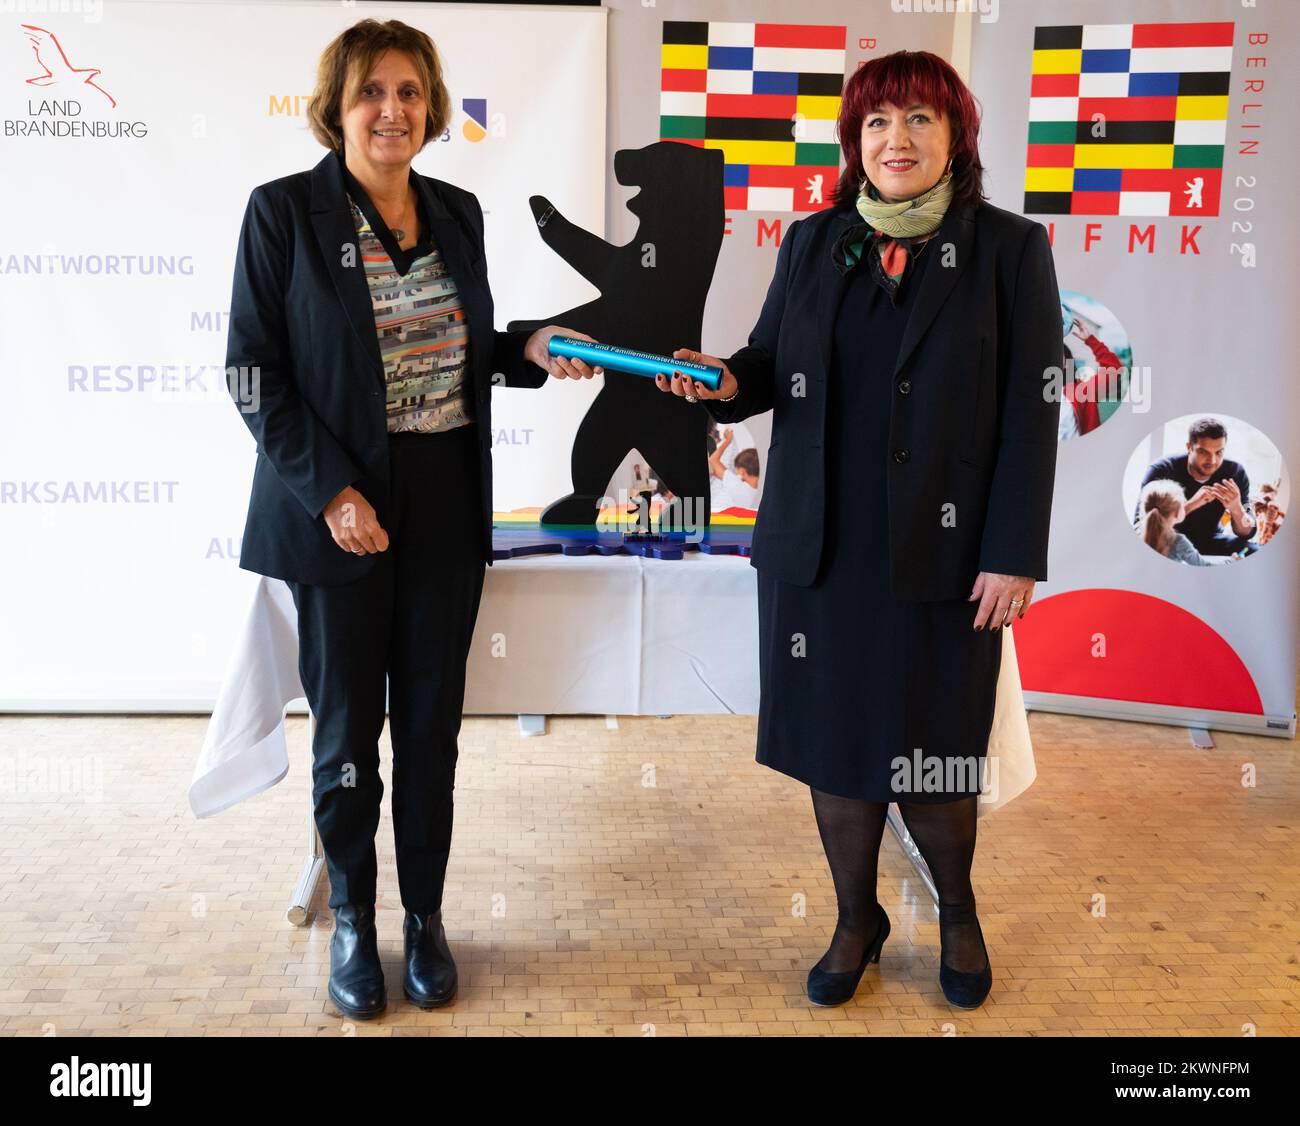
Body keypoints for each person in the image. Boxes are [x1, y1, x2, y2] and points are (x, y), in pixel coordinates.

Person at [654, 50, 1062, 1008]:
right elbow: (763, 365)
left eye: (920, 120)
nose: (898, 140)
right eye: (878, 124)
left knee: (937, 747)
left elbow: (1029, 413)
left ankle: (956, 914)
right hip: (819, 549)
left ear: (957, 135)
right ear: (854, 143)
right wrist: (718, 383)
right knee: (837, 748)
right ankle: (855, 917)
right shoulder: (814, 242)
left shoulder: (1010, 249)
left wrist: (1013, 552)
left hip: (948, 554)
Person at [223, 18, 598, 1020]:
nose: (391, 110)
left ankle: (424, 919)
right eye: (370, 92)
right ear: (335, 108)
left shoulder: (458, 213)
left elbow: (462, 350)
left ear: (430, 108)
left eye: (409, 92)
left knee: (429, 727)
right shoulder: (283, 215)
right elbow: (253, 373)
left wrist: (531, 347)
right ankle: (354, 919)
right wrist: (333, 492)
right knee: (346, 727)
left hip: (441, 510)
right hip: (332, 510)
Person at [1134, 418, 1255, 556]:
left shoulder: (1235, 473)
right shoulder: (1161, 471)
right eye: (1203, 452)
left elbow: (1249, 532)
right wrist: (1190, 505)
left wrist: (1236, 509)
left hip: (1212, 540)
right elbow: (1140, 528)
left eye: (1219, 452)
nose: (1212, 461)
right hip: (1169, 541)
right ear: (1189, 447)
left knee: (1254, 550)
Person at [1137, 481, 1211, 565]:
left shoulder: (1138, 534)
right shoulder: (1178, 542)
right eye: (1183, 505)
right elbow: (1203, 565)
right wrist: (1229, 560)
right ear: (1177, 513)